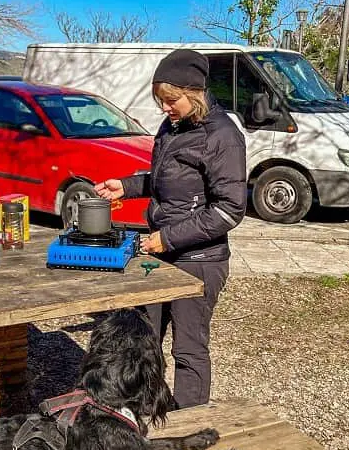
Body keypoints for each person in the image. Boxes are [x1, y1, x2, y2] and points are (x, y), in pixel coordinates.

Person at [95, 49, 247, 408]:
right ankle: (146, 411)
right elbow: (169, 180)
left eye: (170, 100)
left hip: (199, 259)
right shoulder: (172, 126)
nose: (164, 108)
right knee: (144, 340)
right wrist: (128, 186)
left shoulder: (222, 136)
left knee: (188, 349)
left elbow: (229, 210)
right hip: (161, 254)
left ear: (193, 92)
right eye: (160, 101)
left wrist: (168, 238)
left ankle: (188, 424)